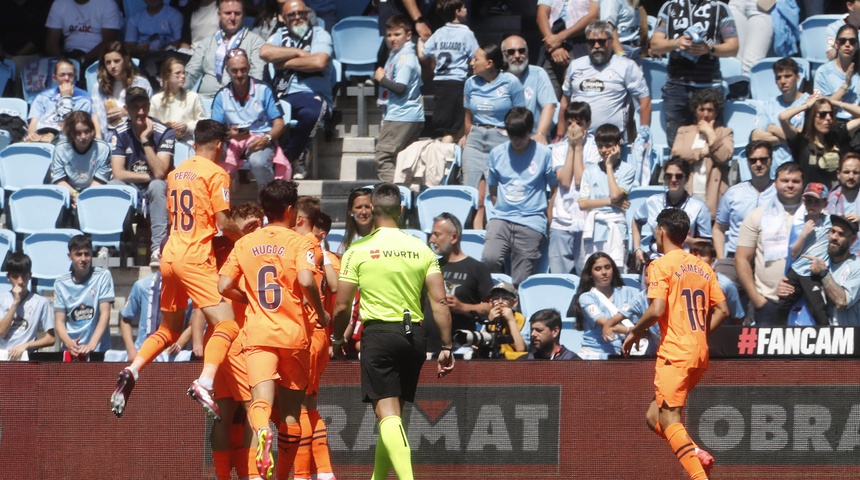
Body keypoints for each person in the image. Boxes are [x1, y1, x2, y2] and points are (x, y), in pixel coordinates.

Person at [110, 120, 245, 419]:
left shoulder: (176, 173)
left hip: (169, 256)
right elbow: (223, 223)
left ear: (194, 143)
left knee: (168, 329)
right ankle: (205, 382)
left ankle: (133, 368)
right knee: (227, 325)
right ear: (220, 146)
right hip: (195, 257)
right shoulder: (217, 173)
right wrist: (247, 240)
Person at [330, 182, 455, 480]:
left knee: (387, 416)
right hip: (414, 338)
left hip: (379, 336)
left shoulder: (357, 250)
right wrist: (447, 346)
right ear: (401, 210)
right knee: (392, 418)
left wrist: (337, 338)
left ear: (372, 208)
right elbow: (439, 301)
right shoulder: (421, 248)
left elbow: (342, 305)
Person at [217, 180, 328, 480]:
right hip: (293, 335)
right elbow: (306, 281)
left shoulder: (244, 243)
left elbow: (223, 285)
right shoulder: (300, 242)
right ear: (291, 210)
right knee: (292, 416)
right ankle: (280, 476)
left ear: (266, 210)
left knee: (260, 404)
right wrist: (320, 312)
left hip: (258, 335)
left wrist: (250, 296)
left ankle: (261, 436)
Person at [622, 208, 729, 480]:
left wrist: (635, 330)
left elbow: (657, 309)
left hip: (675, 352)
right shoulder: (703, 267)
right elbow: (723, 310)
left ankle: (698, 477)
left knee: (669, 419)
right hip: (698, 352)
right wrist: (700, 334)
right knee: (653, 416)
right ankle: (694, 452)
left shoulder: (660, 265)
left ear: (661, 231)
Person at [482, 108, 558, 286]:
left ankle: (515, 309)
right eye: (512, 135)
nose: (516, 140)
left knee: (521, 277)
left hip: (531, 220)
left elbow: (554, 188)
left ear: (529, 131)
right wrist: (501, 206)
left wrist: (547, 217)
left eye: (520, 136)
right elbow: (492, 187)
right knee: (489, 259)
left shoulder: (544, 154)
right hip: (502, 217)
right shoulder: (497, 154)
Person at [290, 196, 337, 480]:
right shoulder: (320, 252)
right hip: (320, 337)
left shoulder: (300, 246)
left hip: (306, 332)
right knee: (310, 405)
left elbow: (309, 283)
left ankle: (302, 474)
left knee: (300, 408)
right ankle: (325, 471)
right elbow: (333, 284)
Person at [649, 0, 739, 148]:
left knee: (711, 145)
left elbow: (733, 47)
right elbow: (655, 45)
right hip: (676, 87)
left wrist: (709, 49)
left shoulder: (720, 8)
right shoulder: (669, 6)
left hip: (709, 87)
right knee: (677, 146)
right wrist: (675, 43)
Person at [260, 0, 334, 179]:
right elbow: (264, 52)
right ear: (284, 19)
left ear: (308, 14)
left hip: (313, 95)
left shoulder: (320, 34)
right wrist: (299, 53)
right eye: (291, 15)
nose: (298, 17)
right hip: (283, 94)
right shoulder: (279, 34)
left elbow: (318, 62)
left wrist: (283, 62)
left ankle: (290, 155)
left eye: (301, 13)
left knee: (313, 112)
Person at [110, 87, 173, 267]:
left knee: (158, 186)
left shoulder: (164, 131)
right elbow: (118, 173)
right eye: (135, 107)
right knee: (113, 185)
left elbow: (160, 173)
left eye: (144, 106)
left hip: (157, 188)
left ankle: (157, 249)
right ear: (126, 109)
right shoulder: (120, 132)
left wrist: (145, 140)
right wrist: (149, 176)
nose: (140, 112)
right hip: (133, 186)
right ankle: (114, 245)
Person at [556, 20, 651, 139]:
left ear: (611, 42)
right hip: (577, 138)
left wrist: (643, 137)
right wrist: (559, 135)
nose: (596, 46)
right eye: (591, 42)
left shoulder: (627, 66)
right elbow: (565, 102)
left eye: (601, 41)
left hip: (611, 141)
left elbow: (645, 101)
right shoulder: (575, 65)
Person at [736, 162, 804, 324]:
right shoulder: (757, 216)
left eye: (795, 181)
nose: (790, 185)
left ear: (803, 184)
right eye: (785, 180)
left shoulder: (816, 217)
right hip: (768, 301)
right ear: (775, 183)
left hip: (805, 303)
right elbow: (741, 258)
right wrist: (757, 298)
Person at [211, 47, 287, 190]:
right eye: (234, 70)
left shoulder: (263, 89)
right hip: (232, 141)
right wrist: (228, 134)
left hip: (260, 138)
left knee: (257, 161)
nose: (239, 74)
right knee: (211, 154)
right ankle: (219, 201)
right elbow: (213, 129)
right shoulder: (222, 95)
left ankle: (269, 203)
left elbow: (279, 123)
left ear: (249, 67)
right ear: (227, 70)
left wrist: (267, 138)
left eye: (243, 69)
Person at [712, 140, 777, 294]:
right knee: (718, 288)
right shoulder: (733, 193)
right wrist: (721, 259)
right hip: (734, 258)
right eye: (753, 160)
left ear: (771, 160)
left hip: (769, 259)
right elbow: (718, 229)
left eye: (763, 159)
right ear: (748, 162)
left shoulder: (781, 192)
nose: (758, 164)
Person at [461, 43, 526, 189]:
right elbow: (468, 115)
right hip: (475, 140)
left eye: (476, 59)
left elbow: (520, 116)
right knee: (469, 188)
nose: (472, 63)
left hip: (501, 139)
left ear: (489, 63)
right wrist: (467, 135)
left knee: (498, 189)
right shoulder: (470, 83)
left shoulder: (511, 82)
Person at [427, 212, 493, 351]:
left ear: (454, 237)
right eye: (431, 235)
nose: (431, 240)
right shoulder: (430, 267)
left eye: (437, 235)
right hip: (426, 349)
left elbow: (490, 308)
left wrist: (462, 307)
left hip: (459, 350)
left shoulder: (477, 269)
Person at [548, 102, 600, 274]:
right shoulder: (558, 148)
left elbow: (580, 180)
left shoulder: (595, 148)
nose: (573, 127)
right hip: (561, 222)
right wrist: (571, 146)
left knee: (585, 276)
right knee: (559, 277)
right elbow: (564, 181)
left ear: (588, 124)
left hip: (586, 222)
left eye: (579, 123)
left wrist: (578, 147)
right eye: (570, 123)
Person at [578, 123, 637, 274]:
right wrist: (611, 202)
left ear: (618, 146)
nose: (604, 150)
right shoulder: (589, 171)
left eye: (608, 145)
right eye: (600, 146)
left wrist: (609, 167)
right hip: (594, 228)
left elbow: (616, 194)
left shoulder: (627, 170)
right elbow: (583, 204)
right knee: (592, 272)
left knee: (616, 272)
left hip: (616, 227)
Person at [780, 214, 860, 325]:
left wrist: (823, 273)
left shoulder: (857, 266)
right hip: (815, 335)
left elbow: (842, 301)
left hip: (848, 338)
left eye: (841, 234)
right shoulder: (818, 261)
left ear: (852, 240)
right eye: (832, 231)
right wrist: (784, 287)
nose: (834, 237)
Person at [184, 0, 266, 106]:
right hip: (204, 102)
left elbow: (257, 77)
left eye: (237, 13)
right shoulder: (207, 42)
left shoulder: (255, 42)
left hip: (239, 102)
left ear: (243, 15)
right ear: (219, 15)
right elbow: (191, 73)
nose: (232, 18)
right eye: (227, 13)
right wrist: (175, 92)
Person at [418, 0, 478, 143]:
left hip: (440, 83)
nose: (466, 10)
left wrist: (420, 42)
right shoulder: (466, 33)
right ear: (457, 11)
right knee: (456, 128)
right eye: (464, 7)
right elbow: (476, 57)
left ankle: (448, 161)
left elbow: (422, 55)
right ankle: (447, 161)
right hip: (457, 83)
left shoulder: (439, 33)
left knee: (447, 128)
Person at [633, 158, 712, 267]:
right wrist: (637, 248)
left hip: (684, 264)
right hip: (655, 261)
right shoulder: (652, 202)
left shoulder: (699, 207)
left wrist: (687, 240)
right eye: (668, 176)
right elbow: (636, 220)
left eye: (678, 176)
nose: (673, 179)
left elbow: (706, 243)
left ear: (686, 179)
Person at [373, 16, 424, 183]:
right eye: (389, 35)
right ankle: (405, 197)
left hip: (401, 115)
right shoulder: (398, 53)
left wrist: (381, 79)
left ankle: (392, 198)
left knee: (384, 157)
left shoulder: (404, 58)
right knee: (403, 160)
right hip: (408, 114)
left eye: (397, 34)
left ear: (408, 35)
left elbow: (400, 88)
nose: (392, 39)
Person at [670, 88, 733, 217]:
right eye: (701, 109)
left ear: (716, 113)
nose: (705, 114)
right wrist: (702, 152)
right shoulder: (684, 131)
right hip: (689, 192)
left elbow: (724, 156)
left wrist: (710, 133)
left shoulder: (725, 132)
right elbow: (676, 154)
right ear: (695, 111)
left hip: (712, 195)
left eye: (710, 110)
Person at [776, 182, 833, 325]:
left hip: (812, 273)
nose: (812, 204)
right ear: (804, 201)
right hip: (796, 270)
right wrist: (803, 234)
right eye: (809, 200)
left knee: (818, 309)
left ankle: (827, 338)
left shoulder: (830, 223)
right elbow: (793, 253)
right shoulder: (798, 224)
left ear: (824, 203)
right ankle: (778, 334)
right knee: (782, 304)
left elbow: (846, 228)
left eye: (816, 201)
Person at [779, 93, 860, 189]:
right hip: (811, 200)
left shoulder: (837, 136)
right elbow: (783, 118)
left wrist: (834, 102)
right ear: (811, 117)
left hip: (835, 199)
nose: (828, 118)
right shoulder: (801, 141)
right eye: (822, 114)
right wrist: (807, 105)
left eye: (831, 114)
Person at [53, 235, 115, 357]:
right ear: (70, 256)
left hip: (99, 350)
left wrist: (91, 345)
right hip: (72, 350)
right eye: (78, 254)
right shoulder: (60, 283)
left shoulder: (103, 276)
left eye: (87, 254)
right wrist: (70, 344)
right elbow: (59, 322)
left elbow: (105, 314)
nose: (83, 259)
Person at [573, 252, 641, 358]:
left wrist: (638, 329)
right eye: (598, 269)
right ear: (590, 274)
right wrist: (633, 331)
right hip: (593, 353)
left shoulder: (626, 292)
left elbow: (636, 321)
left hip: (622, 353)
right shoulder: (586, 298)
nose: (604, 272)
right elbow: (606, 324)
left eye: (607, 267)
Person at [120, 270, 196, 362]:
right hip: (142, 352)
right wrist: (131, 349)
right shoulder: (142, 285)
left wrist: (179, 343)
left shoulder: (189, 288)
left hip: (173, 356)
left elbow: (195, 323)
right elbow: (125, 320)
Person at [750, 57, 808, 176]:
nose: (783, 81)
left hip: (799, 171)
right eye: (778, 77)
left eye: (787, 76)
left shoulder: (808, 103)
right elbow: (755, 137)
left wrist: (772, 129)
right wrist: (790, 137)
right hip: (773, 174)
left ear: (797, 78)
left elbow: (803, 138)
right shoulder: (768, 105)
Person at [535, 0, 599, 98]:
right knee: (547, 94)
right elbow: (541, 15)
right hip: (550, 43)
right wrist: (554, 47)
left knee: (576, 93)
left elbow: (593, 16)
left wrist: (561, 37)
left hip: (579, 43)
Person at [502, 34, 558, 144]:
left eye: (521, 51)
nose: (517, 55)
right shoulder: (499, 77)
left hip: (532, 136)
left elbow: (549, 105)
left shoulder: (538, 73)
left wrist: (540, 134)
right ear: (503, 55)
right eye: (511, 52)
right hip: (505, 136)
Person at [92, 42, 154, 139]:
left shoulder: (141, 83)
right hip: (108, 135)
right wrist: (98, 137)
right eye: (108, 62)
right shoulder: (99, 86)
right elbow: (95, 113)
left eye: (117, 61)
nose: (112, 66)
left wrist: (127, 112)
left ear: (125, 60)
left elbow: (150, 112)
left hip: (134, 134)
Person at [0, 252, 55, 361]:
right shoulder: (2, 299)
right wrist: (15, 303)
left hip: (26, 357)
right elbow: (2, 332)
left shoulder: (41, 302)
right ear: (8, 277)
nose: (20, 281)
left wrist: (26, 346)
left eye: (24, 276)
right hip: (3, 355)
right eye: (15, 277)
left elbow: (51, 338)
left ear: (30, 276)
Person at [50, 111, 112, 207]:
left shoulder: (103, 148)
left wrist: (85, 198)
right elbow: (59, 180)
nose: (83, 137)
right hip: (69, 193)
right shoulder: (60, 149)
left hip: (95, 193)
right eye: (78, 133)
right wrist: (76, 195)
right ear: (71, 133)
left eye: (87, 131)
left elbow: (101, 179)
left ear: (92, 130)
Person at [25, 58, 94, 143]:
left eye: (70, 75)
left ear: (75, 77)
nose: (66, 78)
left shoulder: (84, 99)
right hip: (40, 135)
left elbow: (75, 127)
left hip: (65, 139)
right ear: (55, 78)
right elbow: (33, 122)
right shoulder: (43, 97)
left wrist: (66, 97)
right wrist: (32, 136)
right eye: (62, 75)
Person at [44, 0, 122, 65]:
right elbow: (51, 43)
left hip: (97, 57)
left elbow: (109, 42)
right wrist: (63, 62)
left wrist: (82, 60)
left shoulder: (107, 4)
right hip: (68, 55)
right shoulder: (59, 4)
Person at [150, 58, 207, 143]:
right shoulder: (156, 100)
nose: (183, 76)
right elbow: (150, 123)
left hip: (187, 141)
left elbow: (203, 122)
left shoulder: (193, 97)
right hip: (162, 141)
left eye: (184, 73)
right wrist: (166, 128)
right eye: (178, 73)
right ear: (167, 76)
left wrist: (187, 126)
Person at [690, 241, 746, 324]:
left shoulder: (725, 285)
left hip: (718, 331)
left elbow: (737, 316)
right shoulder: (680, 279)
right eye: (694, 254)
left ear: (713, 261)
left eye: (702, 255)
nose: (697, 258)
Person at [815, 24, 860, 124]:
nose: (847, 44)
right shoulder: (823, 72)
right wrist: (845, 86)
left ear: (857, 46)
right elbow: (821, 109)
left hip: (856, 122)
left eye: (852, 41)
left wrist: (834, 102)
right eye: (843, 41)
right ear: (836, 44)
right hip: (831, 122)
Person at [480, 281, 527, 359]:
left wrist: (511, 320)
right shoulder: (489, 318)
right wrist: (490, 322)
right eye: (496, 298)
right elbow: (477, 346)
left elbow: (521, 348)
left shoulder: (522, 319)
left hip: (513, 361)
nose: (500, 302)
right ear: (491, 303)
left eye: (505, 298)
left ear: (514, 303)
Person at [827, 152, 860, 254]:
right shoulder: (827, 200)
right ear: (838, 174)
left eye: (856, 172)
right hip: (834, 257)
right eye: (846, 172)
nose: (851, 176)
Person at [339, 187, 373, 253]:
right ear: (350, 211)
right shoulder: (346, 244)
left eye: (367, 207)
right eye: (359, 207)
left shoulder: (385, 238)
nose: (364, 212)